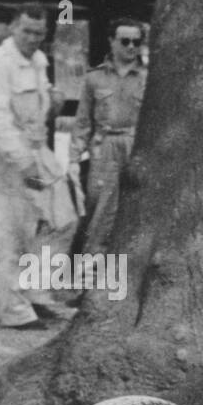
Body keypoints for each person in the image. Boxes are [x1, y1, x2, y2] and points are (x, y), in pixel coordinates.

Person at [0, 3, 73, 330]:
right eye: (26, 31)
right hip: (11, 158)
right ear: (12, 28)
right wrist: (23, 162)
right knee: (12, 234)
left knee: (63, 220)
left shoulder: (39, 60)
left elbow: (38, 101)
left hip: (39, 147)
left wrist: (52, 99)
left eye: (39, 33)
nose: (33, 38)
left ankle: (36, 293)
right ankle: (15, 311)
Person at [69, 18, 146, 252]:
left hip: (134, 147)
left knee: (132, 209)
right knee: (99, 209)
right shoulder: (95, 78)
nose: (131, 47)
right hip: (104, 148)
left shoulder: (147, 78)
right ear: (112, 42)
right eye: (125, 41)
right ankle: (89, 268)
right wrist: (73, 158)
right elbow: (83, 122)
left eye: (137, 41)